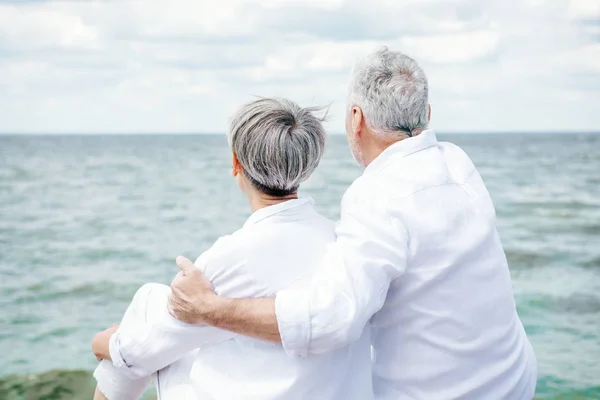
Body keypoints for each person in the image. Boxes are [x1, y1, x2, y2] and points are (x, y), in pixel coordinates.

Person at [166, 48, 539, 399]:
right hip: (512, 378)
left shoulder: (379, 195)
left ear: (356, 118)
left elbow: (329, 320)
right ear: (426, 112)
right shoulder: (458, 164)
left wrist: (207, 308)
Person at [91, 98, 374, 399]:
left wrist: (103, 342)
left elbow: (139, 355)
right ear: (307, 167)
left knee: (148, 301)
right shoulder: (340, 241)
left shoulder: (229, 258)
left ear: (236, 163)